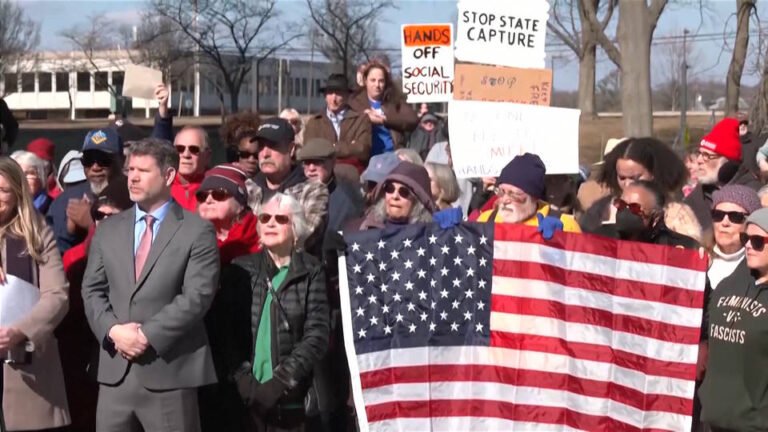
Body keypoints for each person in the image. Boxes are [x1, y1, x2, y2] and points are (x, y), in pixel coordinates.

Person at [82, 137, 220, 431]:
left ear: (169, 175)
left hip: (169, 373)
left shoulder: (197, 231)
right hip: (114, 375)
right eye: (130, 169)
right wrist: (113, 331)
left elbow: (197, 296)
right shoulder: (109, 230)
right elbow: (92, 290)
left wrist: (146, 335)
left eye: (143, 171)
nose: (132, 177)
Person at [216, 193, 329, 432]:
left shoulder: (312, 270)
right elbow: (225, 332)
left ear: (296, 229)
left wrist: (279, 383)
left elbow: (317, 335)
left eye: (280, 219)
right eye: (265, 218)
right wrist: (244, 381)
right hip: (243, 399)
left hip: (290, 402)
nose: (270, 223)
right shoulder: (240, 268)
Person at [0, 157, 71, 431]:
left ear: (18, 193)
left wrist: (19, 331)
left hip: (26, 377)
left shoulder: (38, 234)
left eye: (4, 190)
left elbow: (58, 296)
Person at [59, 179, 132, 432]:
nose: (105, 221)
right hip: (82, 374)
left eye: (113, 215)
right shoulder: (78, 262)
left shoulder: (147, 262)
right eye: (99, 215)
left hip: (130, 370)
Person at [699, 207, 768, 430]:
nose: (748, 245)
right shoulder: (730, 283)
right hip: (712, 420)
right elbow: (704, 320)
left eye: (758, 241)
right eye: (746, 238)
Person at [247, 118, 329, 254]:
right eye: (261, 146)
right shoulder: (248, 188)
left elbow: (305, 236)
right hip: (252, 269)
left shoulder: (313, 190)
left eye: (273, 146)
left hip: (297, 270)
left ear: (291, 149)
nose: (265, 154)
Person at [580, 137, 687, 234]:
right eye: (622, 178)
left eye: (634, 178)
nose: (627, 184)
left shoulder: (676, 215)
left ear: (654, 173)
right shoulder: (600, 212)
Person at [47, 128, 125, 253]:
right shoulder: (65, 201)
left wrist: (92, 223)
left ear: (122, 160)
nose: (95, 167)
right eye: (88, 160)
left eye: (103, 160)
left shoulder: (136, 198)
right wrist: (69, 233)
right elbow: (52, 255)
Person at [686, 117, 761, 237]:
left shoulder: (754, 192)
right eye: (700, 153)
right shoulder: (699, 193)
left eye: (707, 155)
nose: (699, 160)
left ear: (727, 162)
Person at [477, 153, 581, 233]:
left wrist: (561, 241)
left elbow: (582, 259)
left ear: (534, 197)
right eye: (501, 192)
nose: (505, 200)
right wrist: (463, 234)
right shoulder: (485, 220)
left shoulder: (565, 225)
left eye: (514, 194)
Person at [151, 84, 212, 211]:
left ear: (207, 156)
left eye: (194, 149)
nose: (186, 154)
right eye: (180, 149)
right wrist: (163, 110)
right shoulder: (161, 186)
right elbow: (158, 147)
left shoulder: (216, 190)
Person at [303, 74, 372, 183]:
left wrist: (329, 148)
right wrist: (349, 147)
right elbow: (309, 152)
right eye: (330, 93)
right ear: (325, 96)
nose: (333, 98)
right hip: (320, 179)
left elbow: (362, 150)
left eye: (338, 93)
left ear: (347, 96)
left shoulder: (361, 120)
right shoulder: (314, 122)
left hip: (353, 179)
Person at [594, 180, 698, 248]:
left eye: (635, 208)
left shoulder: (679, 247)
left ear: (656, 218)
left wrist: (698, 262)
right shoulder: (600, 238)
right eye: (621, 204)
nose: (625, 211)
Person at [349, 61, 418, 157]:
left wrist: (384, 119)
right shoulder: (355, 102)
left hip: (393, 155)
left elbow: (413, 119)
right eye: (373, 80)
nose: (377, 85)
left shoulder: (393, 100)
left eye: (381, 81)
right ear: (365, 81)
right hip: (367, 158)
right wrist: (366, 117)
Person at [197, 163, 261, 265]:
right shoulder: (193, 239)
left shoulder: (261, 235)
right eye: (202, 196)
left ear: (240, 205)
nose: (208, 200)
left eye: (218, 194)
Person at [349, 161, 436, 231]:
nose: (395, 196)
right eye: (390, 189)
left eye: (404, 192)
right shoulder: (366, 228)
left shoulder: (427, 238)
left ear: (418, 201)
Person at [708, 185, 761, 290]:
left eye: (735, 217)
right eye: (718, 215)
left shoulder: (760, 267)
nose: (725, 222)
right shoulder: (699, 255)